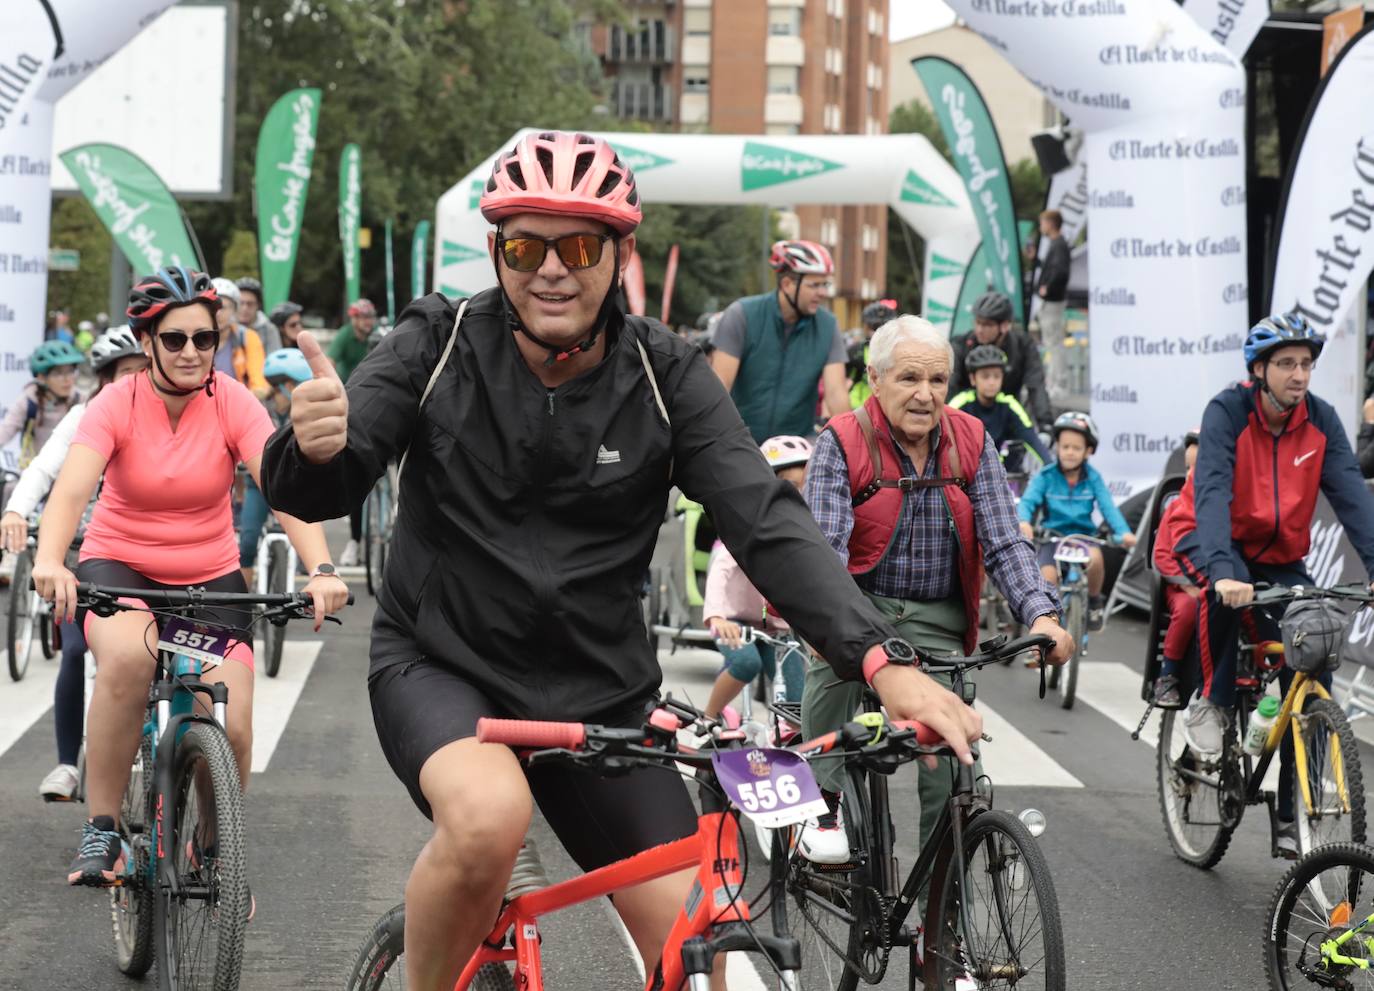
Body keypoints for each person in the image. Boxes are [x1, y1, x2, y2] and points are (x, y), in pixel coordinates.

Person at [259, 129, 982, 991]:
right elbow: (325, 479)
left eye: (580, 245)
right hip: (442, 667)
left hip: (599, 690)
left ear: (622, 254)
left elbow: (766, 518)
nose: (551, 270)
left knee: (709, 949)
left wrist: (880, 659)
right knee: (490, 821)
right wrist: (308, 448)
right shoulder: (437, 343)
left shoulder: (666, 374)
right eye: (526, 245)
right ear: (497, 250)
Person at [32, 266, 349, 889]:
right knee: (125, 660)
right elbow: (71, 493)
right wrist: (49, 561)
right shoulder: (114, 403)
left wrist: (323, 568)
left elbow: (284, 491)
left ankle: (212, 845)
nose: (190, 352)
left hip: (208, 578)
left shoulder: (232, 400)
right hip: (120, 566)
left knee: (229, 721)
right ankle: (103, 828)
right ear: (146, 342)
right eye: (174, 339)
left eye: (203, 339)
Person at [800, 315, 1074, 864]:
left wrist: (1042, 616)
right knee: (830, 675)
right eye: (909, 379)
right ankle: (820, 803)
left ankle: (941, 921)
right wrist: (829, 628)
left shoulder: (972, 439)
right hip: (859, 610)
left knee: (953, 770)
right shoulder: (842, 441)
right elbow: (824, 553)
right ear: (875, 380)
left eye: (939, 381)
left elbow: (1002, 539)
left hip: (938, 619)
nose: (926, 395)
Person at [1172, 312, 1374, 852]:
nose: (1299, 374)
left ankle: (1290, 815)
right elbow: (1212, 492)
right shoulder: (1228, 411)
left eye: (1306, 363)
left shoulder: (1321, 422)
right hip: (1217, 540)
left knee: (1310, 664)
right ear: (1259, 369)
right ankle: (1212, 701)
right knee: (1225, 592)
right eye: (1286, 363)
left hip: (1283, 558)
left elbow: (1354, 499)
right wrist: (1221, 571)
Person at [2, 328, 149, 801]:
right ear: (106, 378)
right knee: (74, 648)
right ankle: (68, 762)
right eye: (125, 373)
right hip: (82, 551)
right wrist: (16, 511)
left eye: (141, 371)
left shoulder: (167, 412)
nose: (136, 381)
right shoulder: (87, 416)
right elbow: (43, 469)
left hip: (150, 553)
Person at [701, 435, 813, 721]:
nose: (797, 496)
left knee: (795, 690)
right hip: (734, 621)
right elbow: (720, 571)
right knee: (745, 662)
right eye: (789, 487)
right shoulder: (747, 525)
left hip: (777, 627)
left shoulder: (805, 531)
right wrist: (716, 616)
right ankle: (709, 718)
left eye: (805, 487)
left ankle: (792, 736)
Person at [709, 240, 850, 442]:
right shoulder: (741, 315)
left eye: (825, 284)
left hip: (797, 442)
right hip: (740, 440)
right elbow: (719, 388)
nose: (823, 293)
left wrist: (850, 446)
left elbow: (836, 393)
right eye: (815, 285)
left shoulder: (828, 326)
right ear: (787, 284)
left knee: (795, 473)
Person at [1017, 411, 1137, 631]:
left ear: (1088, 451)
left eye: (1076, 448)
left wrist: (1124, 533)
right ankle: (1046, 628)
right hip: (1052, 538)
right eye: (1065, 447)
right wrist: (1023, 521)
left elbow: (1109, 509)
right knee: (1048, 577)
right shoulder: (1046, 476)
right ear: (1057, 448)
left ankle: (1093, 602)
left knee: (1096, 560)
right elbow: (1027, 502)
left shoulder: (1094, 478)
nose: (1070, 453)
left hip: (1083, 538)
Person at [238, 347, 313, 584]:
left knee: (306, 545)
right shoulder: (255, 408)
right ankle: (242, 605)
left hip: (292, 485)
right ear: (283, 385)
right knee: (247, 543)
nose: (300, 389)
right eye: (296, 384)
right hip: (258, 486)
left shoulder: (306, 410)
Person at [951, 290, 1053, 430]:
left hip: (1007, 421)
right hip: (966, 421)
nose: (979, 330)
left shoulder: (1023, 345)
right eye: (977, 322)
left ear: (1005, 326)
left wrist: (1045, 424)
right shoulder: (960, 344)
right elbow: (950, 384)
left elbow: (1036, 385)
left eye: (987, 325)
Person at [1150, 427, 1201, 708]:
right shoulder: (1176, 506)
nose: (1191, 474)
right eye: (1188, 467)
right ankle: (1167, 675)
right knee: (1187, 608)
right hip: (1180, 586)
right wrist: (1185, 583)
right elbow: (1161, 554)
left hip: (1212, 586)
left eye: (1199, 467)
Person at [948, 344, 1052, 471]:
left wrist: (1052, 468)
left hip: (997, 470)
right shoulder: (959, 404)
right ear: (973, 379)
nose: (992, 382)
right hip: (963, 470)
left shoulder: (1009, 404)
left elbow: (1032, 439)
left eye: (997, 376)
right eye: (985, 376)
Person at [0, 340, 86, 469]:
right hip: (34, 472)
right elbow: (5, 430)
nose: (67, 379)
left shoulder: (81, 401)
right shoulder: (29, 401)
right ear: (41, 377)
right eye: (58, 373)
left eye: (70, 371)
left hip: (70, 473)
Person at [210, 278, 270, 400]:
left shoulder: (248, 337)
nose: (218, 313)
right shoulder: (193, 338)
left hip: (237, 406)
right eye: (213, 307)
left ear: (234, 311)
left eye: (223, 307)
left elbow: (258, 381)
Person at [1035, 209, 1072, 401]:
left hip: (1053, 302)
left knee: (1055, 344)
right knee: (1051, 343)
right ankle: (1054, 382)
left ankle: (1060, 383)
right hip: (1051, 302)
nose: (1041, 226)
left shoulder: (1059, 245)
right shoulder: (1056, 245)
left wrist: (1047, 288)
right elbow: (1054, 268)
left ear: (1050, 223)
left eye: (1043, 222)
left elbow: (1060, 272)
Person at [847, 298, 898, 408]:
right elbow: (841, 383)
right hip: (858, 407)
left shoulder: (900, 351)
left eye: (882, 327)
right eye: (874, 327)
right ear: (866, 327)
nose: (878, 332)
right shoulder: (855, 352)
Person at [237, 277, 282, 353]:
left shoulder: (269, 330)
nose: (245, 308)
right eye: (241, 303)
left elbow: (274, 358)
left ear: (258, 305)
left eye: (250, 304)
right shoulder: (227, 327)